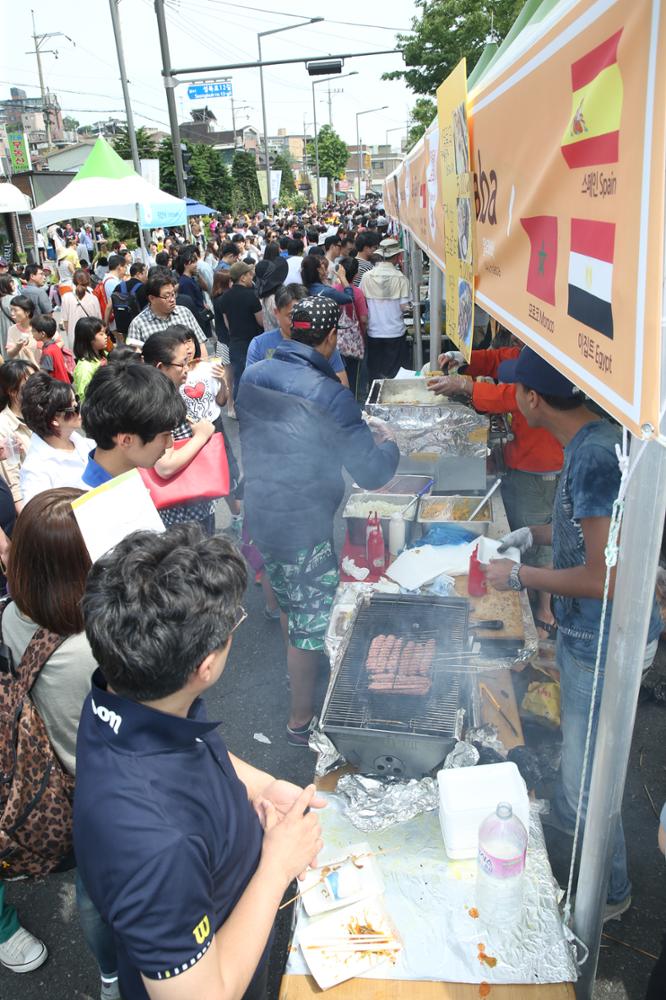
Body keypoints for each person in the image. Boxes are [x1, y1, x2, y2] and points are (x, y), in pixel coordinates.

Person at [73, 525, 324, 1000]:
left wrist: (261, 785)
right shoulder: (154, 846)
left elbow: (185, 746)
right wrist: (276, 865)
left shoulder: (123, 688)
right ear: (204, 667)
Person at [486, 348, 662, 920]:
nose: (512, 398)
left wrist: (517, 574)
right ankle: (568, 819)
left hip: (603, 636)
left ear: (534, 398)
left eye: (516, 390)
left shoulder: (592, 458)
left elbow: (601, 577)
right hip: (592, 633)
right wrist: (527, 534)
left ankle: (608, 895)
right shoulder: (594, 438)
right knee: (582, 763)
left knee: (594, 777)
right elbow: (585, 533)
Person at [237, 296, 399, 744]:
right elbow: (372, 472)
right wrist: (389, 442)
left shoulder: (255, 374)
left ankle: (299, 679)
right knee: (312, 623)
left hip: (262, 512)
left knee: (291, 604)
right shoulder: (329, 393)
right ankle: (300, 720)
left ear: (292, 329)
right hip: (301, 525)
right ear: (329, 338)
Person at [0, 488, 121, 998]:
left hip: (40, 772)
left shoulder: (12, 615)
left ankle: (111, 976)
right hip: (93, 790)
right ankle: (117, 975)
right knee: (102, 892)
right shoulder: (91, 650)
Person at [429, 339, 563, 639]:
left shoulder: (546, 376)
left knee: (539, 543)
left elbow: (508, 396)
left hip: (539, 467)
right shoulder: (532, 351)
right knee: (523, 533)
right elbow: (502, 359)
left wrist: (465, 387)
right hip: (523, 459)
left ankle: (544, 609)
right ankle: (530, 593)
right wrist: (463, 359)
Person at [141, 330, 217, 534]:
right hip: (183, 517)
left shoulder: (167, 395)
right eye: (182, 364)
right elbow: (165, 466)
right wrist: (201, 436)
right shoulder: (156, 405)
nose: (186, 369)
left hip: (194, 504)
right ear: (160, 367)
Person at [79, 361, 185, 492]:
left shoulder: (126, 476)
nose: (169, 444)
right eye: (165, 435)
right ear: (126, 440)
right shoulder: (90, 505)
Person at [246, 283, 349, 387]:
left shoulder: (323, 343)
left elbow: (342, 386)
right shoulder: (259, 345)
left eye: (304, 316)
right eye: (292, 316)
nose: (298, 322)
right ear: (276, 312)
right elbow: (250, 387)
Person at [19, 372, 94, 502]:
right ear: (54, 419)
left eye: (77, 401)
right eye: (74, 407)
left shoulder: (87, 444)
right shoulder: (36, 470)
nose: (79, 409)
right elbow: (38, 517)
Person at [360, 238, 410, 382]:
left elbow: (363, 302)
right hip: (395, 332)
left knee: (375, 375)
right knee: (394, 377)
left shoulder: (367, 277)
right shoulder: (400, 278)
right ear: (396, 257)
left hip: (374, 331)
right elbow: (404, 306)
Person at [125, 271, 208, 356]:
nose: (172, 299)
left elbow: (200, 343)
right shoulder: (138, 324)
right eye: (166, 296)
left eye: (173, 294)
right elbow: (134, 361)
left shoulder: (185, 312)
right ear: (152, 298)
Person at [218, 261, 263, 396]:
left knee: (239, 378)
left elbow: (227, 324)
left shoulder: (224, 297)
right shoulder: (252, 295)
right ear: (242, 277)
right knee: (256, 377)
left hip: (235, 342)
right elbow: (261, 322)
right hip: (253, 342)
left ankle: (239, 407)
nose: (251, 277)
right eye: (249, 275)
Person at [0, 359, 37, 510]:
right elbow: (14, 485)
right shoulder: (4, 426)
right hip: (36, 507)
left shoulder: (41, 415)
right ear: (12, 391)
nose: (37, 388)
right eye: (30, 384)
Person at [332, 256, 368, 398]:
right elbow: (364, 319)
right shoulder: (357, 293)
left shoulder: (333, 290)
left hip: (335, 341)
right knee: (353, 378)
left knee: (338, 377)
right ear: (356, 274)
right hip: (354, 342)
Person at [60, 270, 103, 351]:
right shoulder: (93, 298)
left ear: (73, 281)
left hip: (74, 339)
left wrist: (69, 334)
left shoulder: (66, 297)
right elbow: (99, 320)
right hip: (92, 339)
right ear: (88, 281)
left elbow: (66, 321)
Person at [73, 317, 108, 401]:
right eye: (101, 334)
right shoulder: (84, 368)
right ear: (89, 338)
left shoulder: (104, 354)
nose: (106, 337)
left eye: (105, 333)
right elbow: (84, 397)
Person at [33, 315, 70, 384]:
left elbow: (43, 374)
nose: (32, 332)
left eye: (34, 330)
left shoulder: (47, 352)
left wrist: (31, 357)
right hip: (64, 386)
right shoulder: (55, 346)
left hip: (57, 389)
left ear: (43, 334)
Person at [6, 295, 41, 365]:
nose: (12, 313)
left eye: (15, 310)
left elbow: (59, 342)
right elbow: (10, 354)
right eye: (11, 310)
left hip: (40, 372)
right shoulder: (12, 329)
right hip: (21, 373)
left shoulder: (41, 326)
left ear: (27, 312)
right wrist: (17, 346)